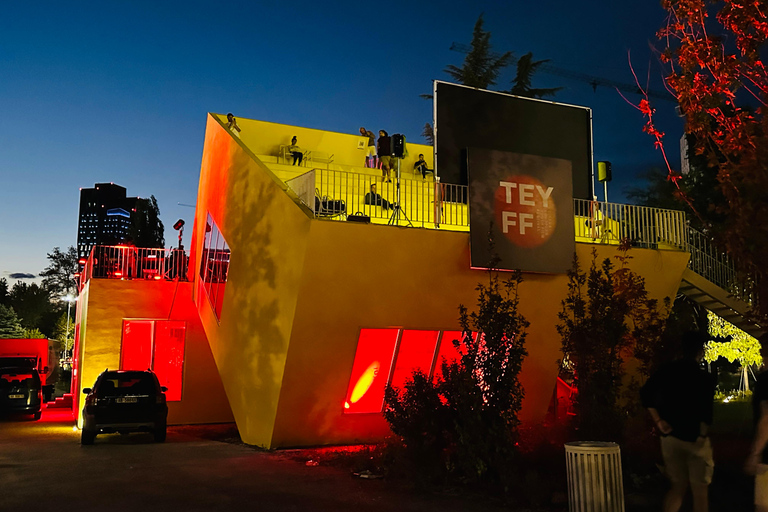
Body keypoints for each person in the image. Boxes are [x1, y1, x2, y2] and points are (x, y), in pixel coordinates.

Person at [640, 331, 715, 512]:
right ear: (700, 352)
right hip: (695, 438)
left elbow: (645, 394)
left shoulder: (667, 370)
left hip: (670, 437)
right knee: (700, 491)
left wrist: (658, 421)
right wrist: (702, 435)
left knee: (677, 487)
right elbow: (706, 412)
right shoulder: (703, 377)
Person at [745, 333, 768, 512]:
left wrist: (755, 454)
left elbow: (766, 419)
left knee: (763, 504)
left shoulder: (765, 381)